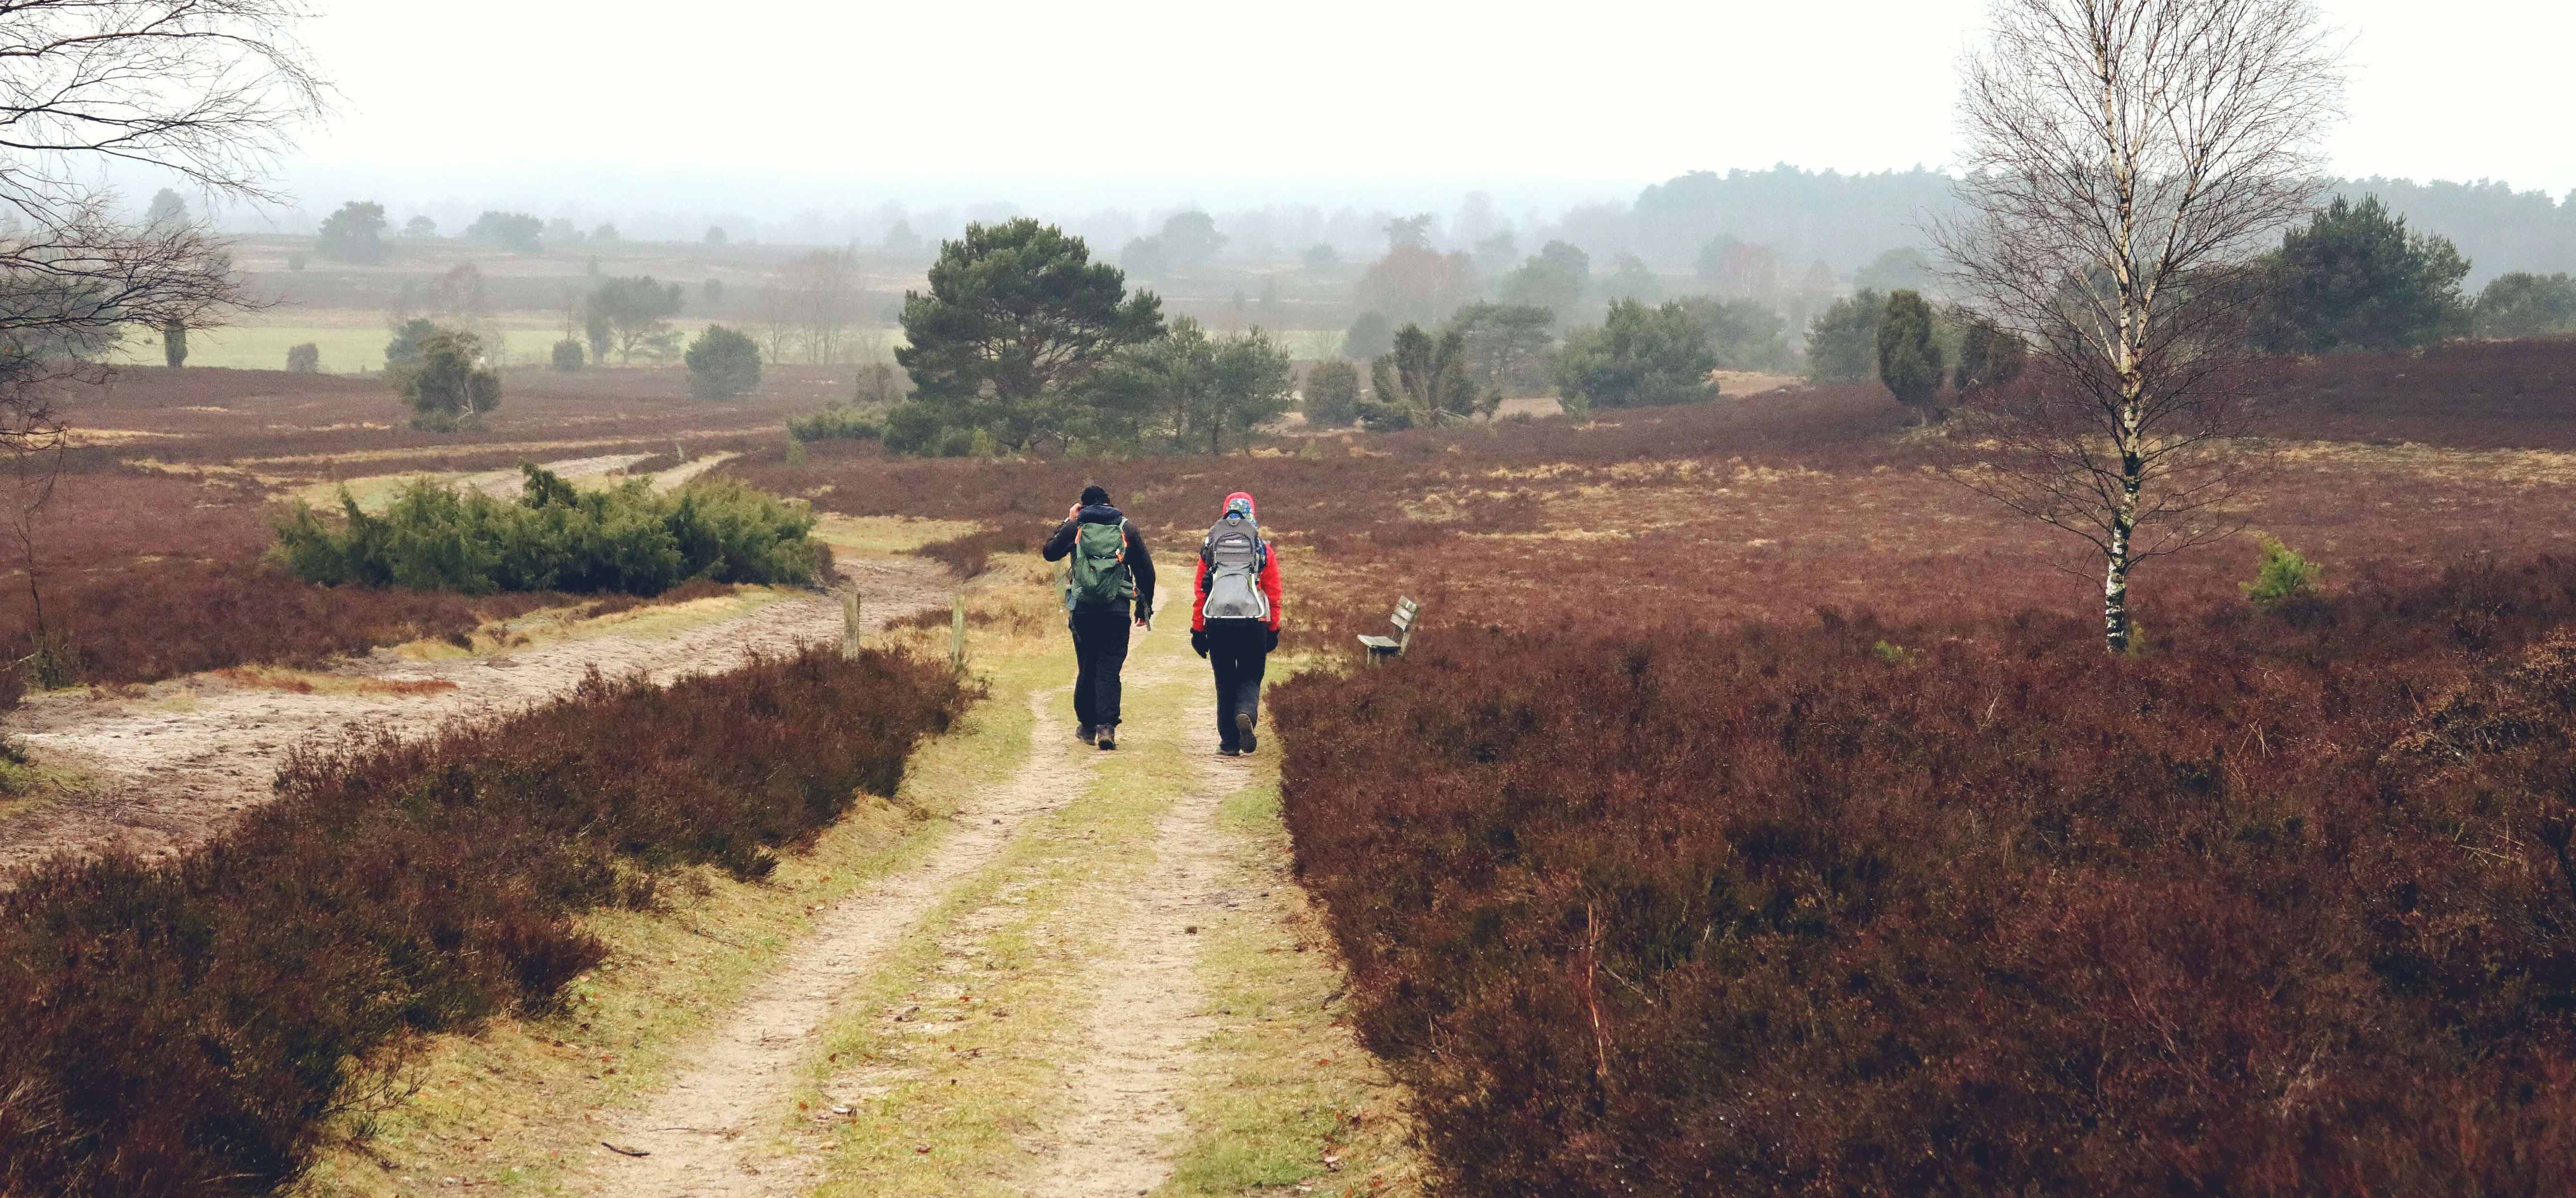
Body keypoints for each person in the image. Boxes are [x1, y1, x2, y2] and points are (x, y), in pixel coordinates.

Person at [1042, 484, 1155, 750]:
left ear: (1083, 505)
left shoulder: (1076, 527)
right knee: (1110, 668)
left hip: (1084, 611)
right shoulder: (1126, 528)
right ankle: (1107, 727)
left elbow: (1049, 553)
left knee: (1088, 666)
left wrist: (1067, 520)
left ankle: (1087, 726)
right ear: (1109, 502)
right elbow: (1146, 571)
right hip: (1116, 611)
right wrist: (1143, 609)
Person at [1189, 491, 1282, 757]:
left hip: (1218, 623)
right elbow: (1274, 593)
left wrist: (1198, 629)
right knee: (1251, 674)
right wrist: (1273, 628)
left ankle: (1229, 743)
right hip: (1254, 623)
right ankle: (1246, 713)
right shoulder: (1262, 548)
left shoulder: (1211, 546)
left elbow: (1201, 592)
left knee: (1225, 681)